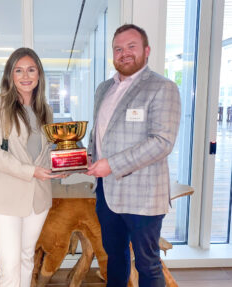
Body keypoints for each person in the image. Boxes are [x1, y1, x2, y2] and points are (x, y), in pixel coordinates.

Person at [86, 24, 181, 287]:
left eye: (131, 47)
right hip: (107, 193)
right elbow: (99, 135)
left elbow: (162, 142)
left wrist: (111, 164)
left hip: (144, 195)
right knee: (114, 259)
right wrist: (88, 158)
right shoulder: (103, 89)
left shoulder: (163, 87)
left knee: (147, 264)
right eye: (118, 48)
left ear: (146, 50)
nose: (124, 53)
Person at [0, 47, 64, 287]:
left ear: (39, 75)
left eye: (31, 69)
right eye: (19, 70)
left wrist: (62, 167)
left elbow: (44, 153)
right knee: (10, 267)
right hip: (7, 198)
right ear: (10, 75)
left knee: (28, 259)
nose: (25, 76)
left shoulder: (44, 110)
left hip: (38, 198)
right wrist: (31, 172)